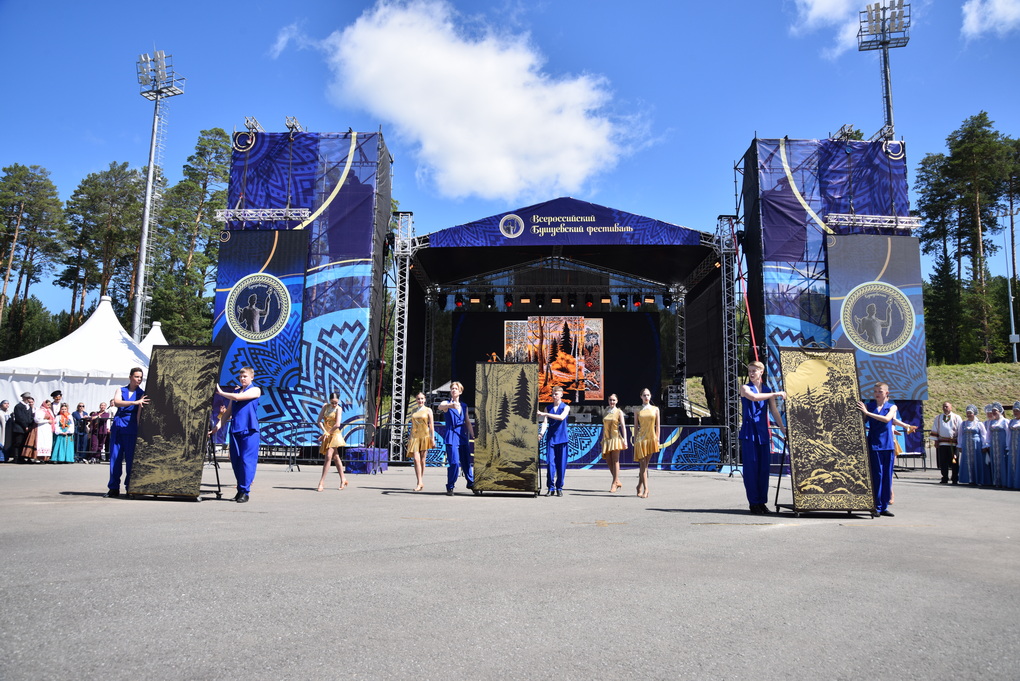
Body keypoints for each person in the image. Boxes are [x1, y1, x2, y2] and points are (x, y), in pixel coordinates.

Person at [738, 361, 787, 514]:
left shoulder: (766, 390)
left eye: (754, 371)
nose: (751, 373)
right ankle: (753, 503)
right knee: (751, 468)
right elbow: (754, 398)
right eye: (750, 371)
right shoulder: (745, 388)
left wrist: (783, 429)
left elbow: (774, 411)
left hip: (762, 433)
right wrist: (775, 394)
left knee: (764, 469)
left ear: (761, 372)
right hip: (749, 432)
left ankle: (762, 502)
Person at [213, 367, 261, 503]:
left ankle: (245, 491)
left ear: (252, 377)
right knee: (236, 460)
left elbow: (238, 398)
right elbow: (228, 412)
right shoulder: (235, 391)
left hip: (250, 430)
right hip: (235, 429)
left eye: (245, 376)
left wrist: (221, 393)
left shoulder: (255, 390)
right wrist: (217, 427)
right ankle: (240, 489)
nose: (242, 379)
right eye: (241, 377)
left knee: (246, 460)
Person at [857, 382, 898, 517]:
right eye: (875, 391)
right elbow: (863, 421)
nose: (877, 394)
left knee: (887, 476)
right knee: (877, 476)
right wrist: (864, 413)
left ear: (886, 393)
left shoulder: (892, 407)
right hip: (874, 444)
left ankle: (884, 506)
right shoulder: (870, 406)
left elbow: (887, 419)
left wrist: (867, 412)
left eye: (880, 391)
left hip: (888, 445)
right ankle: (876, 505)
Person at [106, 369, 149, 497]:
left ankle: (130, 488)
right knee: (115, 458)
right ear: (130, 377)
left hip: (132, 428)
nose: (139, 379)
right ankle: (113, 488)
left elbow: (140, 413)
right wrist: (134, 402)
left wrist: (140, 430)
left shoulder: (142, 393)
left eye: (140, 377)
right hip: (118, 426)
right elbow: (117, 402)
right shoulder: (121, 390)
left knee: (131, 460)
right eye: (136, 376)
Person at [438, 381, 474, 496]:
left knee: (466, 462)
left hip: (461, 435)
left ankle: (471, 483)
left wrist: (473, 435)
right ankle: (450, 486)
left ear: (460, 391)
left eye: (456, 389)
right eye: (452, 388)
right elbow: (440, 407)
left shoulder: (464, 406)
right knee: (454, 462)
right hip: (451, 435)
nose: (453, 390)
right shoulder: (447, 403)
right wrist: (450, 406)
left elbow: (467, 421)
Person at [538, 385, 570, 497]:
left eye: (556, 394)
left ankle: (559, 487)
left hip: (562, 439)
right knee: (550, 464)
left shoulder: (566, 407)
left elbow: (561, 417)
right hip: (551, 438)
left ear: (561, 394)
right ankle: (550, 488)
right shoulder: (548, 408)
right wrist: (541, 433)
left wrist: (545, 414)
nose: (554, 396)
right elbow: (545, 423)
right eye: (553, 394)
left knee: (561, 465)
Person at [315, 392, 349, 492]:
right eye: (333, 402)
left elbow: (337, 424)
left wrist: (327, 433)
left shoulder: (339, 409)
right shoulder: (325, 406)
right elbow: (319, 421)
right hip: (327, 434)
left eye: (336, 403)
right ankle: (343, 479)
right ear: (329, 401)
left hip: (335, 434)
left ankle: (321, 482)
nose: (334, 404)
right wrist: (324, 432)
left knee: (329, 456)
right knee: (336, 457)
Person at [632, 388, 661, 499]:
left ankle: (639, 485)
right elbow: (636, 426)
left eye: (648, 395)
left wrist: (657, 439)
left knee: (645, 466)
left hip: (651, 438)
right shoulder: (637, 409)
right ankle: (646, 489)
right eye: (644, 395)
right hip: (641, 439)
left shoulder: (655, 409)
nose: (646, 397)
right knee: (643, 464)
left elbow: (657, 426)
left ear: (650, 396)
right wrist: (635, 439)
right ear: (641, 396)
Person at [406, 392, 435, 492]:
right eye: (418, 399)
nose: (420, 400)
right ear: (416, 399)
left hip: (424, 436)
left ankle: (421, 480)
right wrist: (409, 438)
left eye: (422, 398)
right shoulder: (413, 411)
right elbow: (412, 426)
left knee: (422, 460)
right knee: (416, 459)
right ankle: (419, 482)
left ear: (425, 399)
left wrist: (432, 438)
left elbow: (431, 425)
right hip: (415, 437)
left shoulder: (428, 410)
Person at [930, 402, 962, 485]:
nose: (945, 408)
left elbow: (960, 430)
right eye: (944, 406)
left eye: (947, 406)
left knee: (954, 461)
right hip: (942, 443)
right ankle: (944, 477)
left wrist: (960, 443)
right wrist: (936, 441)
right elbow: (935, 429)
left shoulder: (956, 417)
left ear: (951, 407)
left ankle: (955, 478)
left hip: (953, 443)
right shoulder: (938, 418)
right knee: (943, 461)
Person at [600, 393, 627, 492]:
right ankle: (617, 480)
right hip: (607, 439)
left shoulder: (619, 412)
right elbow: (604, 426)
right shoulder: (605, 411)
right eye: (610, 400)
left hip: (615, 438)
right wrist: (603, 438)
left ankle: (614, 483)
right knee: (608, 460)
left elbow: (623, 426)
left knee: (615, 460)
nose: (612, 402)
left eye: (614, 400)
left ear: (617, 401)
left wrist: (625, 439)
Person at [957, 405, 986, 486]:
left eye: (970, 413)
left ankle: (977, 479)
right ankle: (968, 478)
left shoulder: (979, 423)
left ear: (974, 414)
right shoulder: (963, 424)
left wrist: (984, 445)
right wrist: (960, 445)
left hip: (976, 445)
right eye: (968, 413)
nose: (969, 414)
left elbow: (984, 435)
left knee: (976, 461)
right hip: (966, 445)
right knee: (967, 461)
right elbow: (960, 435)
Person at [984, 403, 1008, 489]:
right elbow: (988, 434)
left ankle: (1004, 482)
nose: (993, 412)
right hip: (994, 445)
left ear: (1000, 411)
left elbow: (1008, 434)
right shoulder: (992, 422)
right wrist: (987, 443)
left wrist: (1008, 445)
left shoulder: (1005, 421)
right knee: (995, 462)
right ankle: (996, 481)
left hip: (1002, 445)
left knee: (1003, 462)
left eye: (995, 411)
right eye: (993, 411)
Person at [11, 394, 36, 463]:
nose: (28, 400)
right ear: (24, 398)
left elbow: (31, 417)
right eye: (27, 398)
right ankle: (16, 457)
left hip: (27, 428)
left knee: (24, 443)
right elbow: (19, 417)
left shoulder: (28, 407)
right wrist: (25, 426)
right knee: (18, 442)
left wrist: (29, 426)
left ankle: (22, 458)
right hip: (20, 428)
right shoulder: (18, 406)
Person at [34, 398, 55, 462]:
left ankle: (45, 458)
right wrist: (47, 421)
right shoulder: (40, 411)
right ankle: (38, 458)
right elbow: (37, 420)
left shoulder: (50, 411)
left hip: (48, 429)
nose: (49, 406)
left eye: (50, 405)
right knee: (41, 442)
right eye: (47, 405)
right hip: (42, 428)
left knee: (47, 443)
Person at [1008, 401, 1020, 491]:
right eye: (1014, 411)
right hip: (1013, 444)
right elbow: (1008, 434)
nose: (1015, 412)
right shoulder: (1011, 421)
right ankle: (1013, 482)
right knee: (1013, 462)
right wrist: (1008, 445)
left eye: (1017, 411)